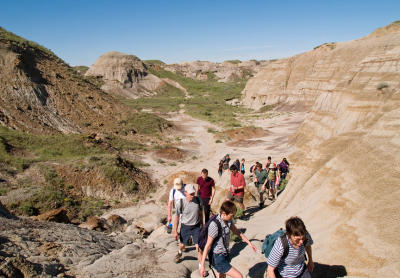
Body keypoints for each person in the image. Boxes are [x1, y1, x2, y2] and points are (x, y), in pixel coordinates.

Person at [200, 200, 257, 278]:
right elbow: (208, 245)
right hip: (218, 257)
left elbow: (237, 232)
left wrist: (249, 243)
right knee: (239, 276)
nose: (232, 217)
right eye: (231, 215)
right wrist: (202, 266)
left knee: (222, 276)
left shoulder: (228, 220)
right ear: (224, 213)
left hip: (225, 254)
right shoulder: (214, 225)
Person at [174, 184, 203, 266]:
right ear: (185, 192)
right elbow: (176, 218)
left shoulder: (198, 200)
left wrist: (203, 225)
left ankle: (201, 267)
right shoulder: (180, 203)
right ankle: (180, 252)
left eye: (193, 193)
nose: (192, 196)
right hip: (185, 227)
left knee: (199, 246)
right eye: (190, 194)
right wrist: (175, 231)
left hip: (196, 226)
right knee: (182, 245)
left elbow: (200, 213)